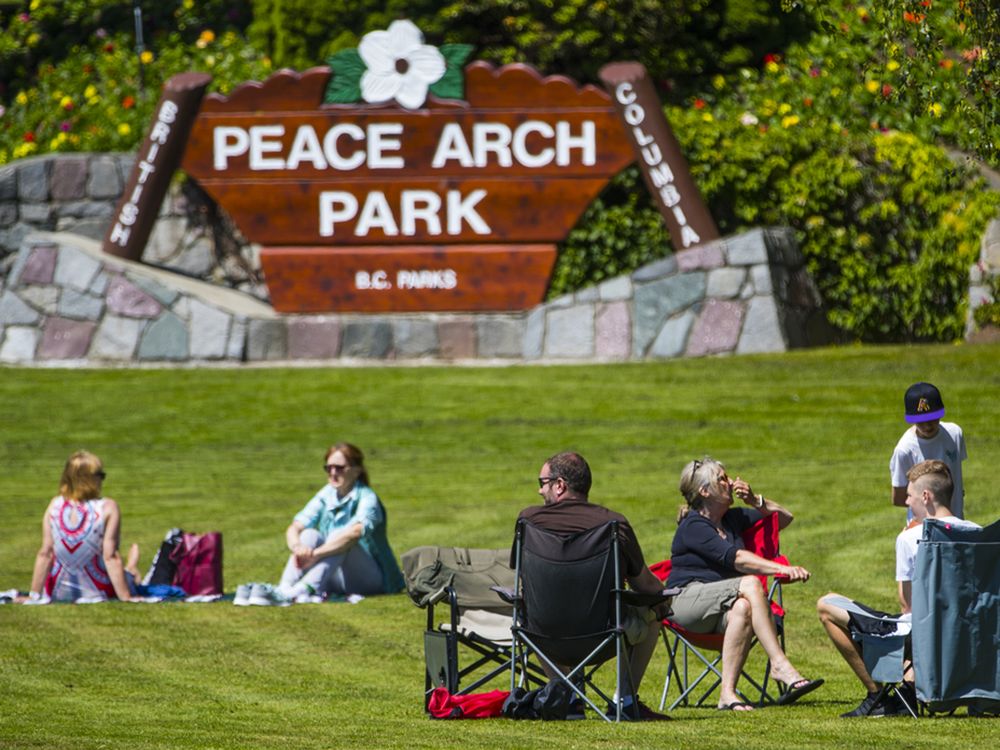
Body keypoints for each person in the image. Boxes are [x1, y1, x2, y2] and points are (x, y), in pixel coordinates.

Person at [513, 451, 672, 721]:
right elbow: (644, 584)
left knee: (537, 606)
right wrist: (664, 596)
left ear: (560, 485)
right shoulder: (613, 524)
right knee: (655, 610)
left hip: (542, 636)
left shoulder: (528, 521)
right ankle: (625, 700)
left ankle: (568, 697)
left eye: (542, 482)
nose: (540, 490)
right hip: (602, 636)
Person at [818, 459, 980, 718]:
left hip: (922, 634)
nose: (906, 502)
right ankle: (909, 685)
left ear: (925, 496)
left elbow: (908, 606)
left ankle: (877, 696)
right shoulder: (978, 534)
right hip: (968, 634)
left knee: (827, 604)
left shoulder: (909, 538)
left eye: (909, 495)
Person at [665, 457, 822, 711]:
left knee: (743, 608)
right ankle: (779, 664)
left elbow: (784, 519)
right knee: (749, 584)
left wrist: (755, 501)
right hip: (685, 604)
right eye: (722, 479)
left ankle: (727, 693)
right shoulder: (693, 525)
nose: (730, 482)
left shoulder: (732, 519)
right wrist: (783, 569)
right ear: (705, 491)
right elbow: (736, 559)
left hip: (720, 609)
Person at [260, 442, 404, 604]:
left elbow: (354, 533)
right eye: (329, 468)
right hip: (336, 575)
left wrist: (315, 554)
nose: (333, 473)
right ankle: (285, 587)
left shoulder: (367, 498)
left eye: (339, 468)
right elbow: (295, 527)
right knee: (309, 535)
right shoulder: (327, 493)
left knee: (341, 536)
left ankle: (305, 588)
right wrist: (298, 548)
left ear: (357, 471)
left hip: (373, 580)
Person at [28, 450, 135, 603]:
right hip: (98, 591)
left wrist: (34, 596)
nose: (102, 480)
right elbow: (110, 556)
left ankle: (132, 566)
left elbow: (45, 553)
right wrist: (126, 597)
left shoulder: (54, 505)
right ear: (87, 479)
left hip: (57, 591)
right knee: (131, 577)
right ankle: (132, 567)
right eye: (100, 475)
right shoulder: (108, 507)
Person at [890, 382, 967, 521]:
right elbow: (899, 498)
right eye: (920, 421)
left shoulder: (955, 434)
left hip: (956, 522)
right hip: (924, 529)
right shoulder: (904, 450)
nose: (927, 425)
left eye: (932, 418)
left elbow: (956, 476)